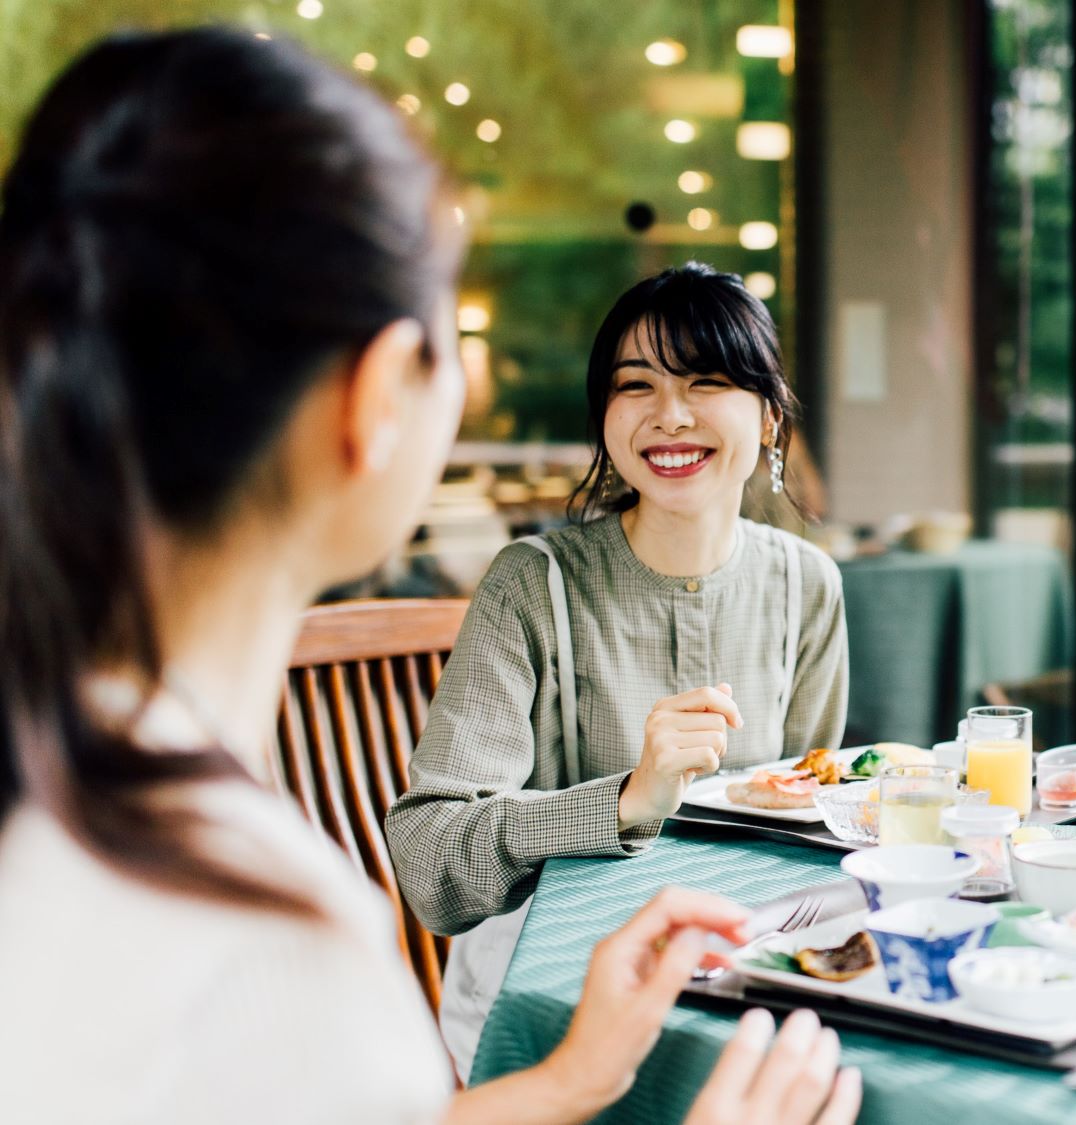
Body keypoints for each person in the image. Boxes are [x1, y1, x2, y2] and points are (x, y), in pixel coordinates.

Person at [0, 28, 859, 1124]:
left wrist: (565, 1082)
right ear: (375, 401)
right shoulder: (270, 943)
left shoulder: (78, 801)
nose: (668, 414)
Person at [386, 263, 850, 1075]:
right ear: (604, 417)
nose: (670, 414)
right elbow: (430, 863)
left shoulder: (807, 584)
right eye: (636, 385)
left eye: (706, 380)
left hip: (745, 980)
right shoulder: (532, 585)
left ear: (769, 419)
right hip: (555, 1005)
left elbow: (809, 820)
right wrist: (624, 801)